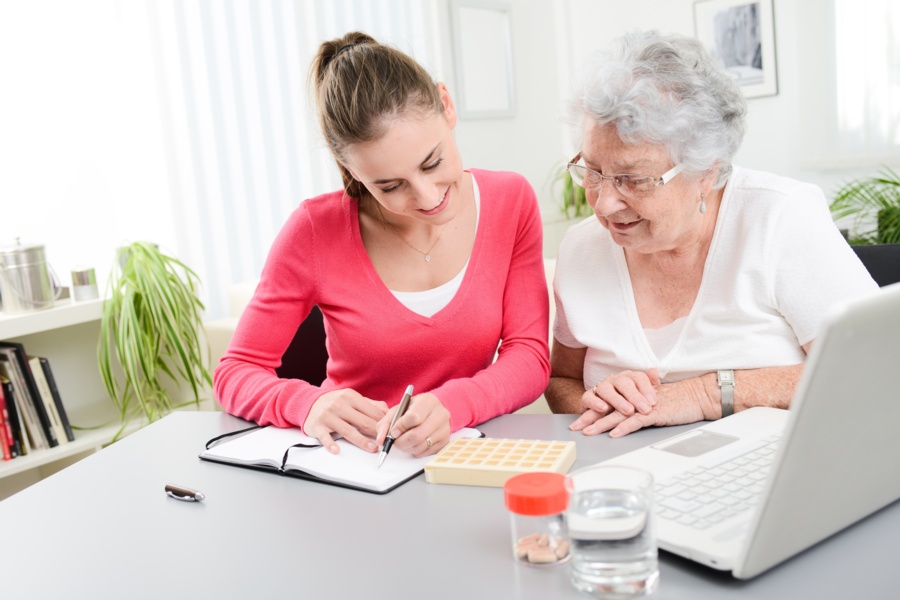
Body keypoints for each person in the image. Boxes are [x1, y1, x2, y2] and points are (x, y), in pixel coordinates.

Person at [214, 32, 549, 457]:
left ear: (446, 105)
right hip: (354, 467)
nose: (428, 197)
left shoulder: (511, 201)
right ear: (350, 169)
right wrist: (307, 403)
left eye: (433, 162)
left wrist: (454, 405)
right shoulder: (314, 230)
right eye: (390, 186)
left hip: (468, 458)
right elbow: (235, 372)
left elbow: (530, 357)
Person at [545, 30, 877, 438]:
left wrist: (704, 394)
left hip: (779, 471)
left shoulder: (778, 218)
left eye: (633, 179)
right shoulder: (581, 249)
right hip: (631, 477)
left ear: (706, 172)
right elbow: (561, 380)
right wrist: (596, 401)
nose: (603, 203)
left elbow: (875, 366)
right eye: (593, 171)